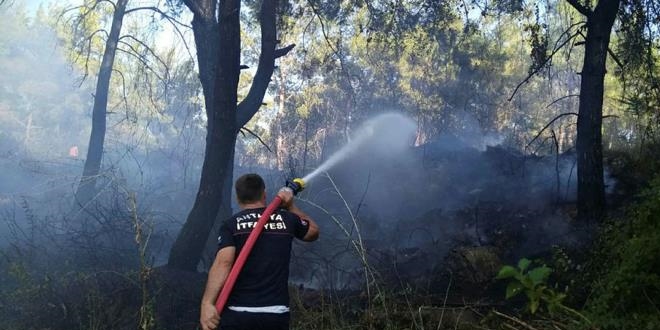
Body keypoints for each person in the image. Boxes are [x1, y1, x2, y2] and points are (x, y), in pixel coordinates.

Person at [200, 173, 320, 330]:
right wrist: (291, 206)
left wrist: (207, 303)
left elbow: (224, 262)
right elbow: (313, 232)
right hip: (276, 314)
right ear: (264, 194)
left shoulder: (231, 225)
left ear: (238, 198)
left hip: (238, 314)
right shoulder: (287, 219)